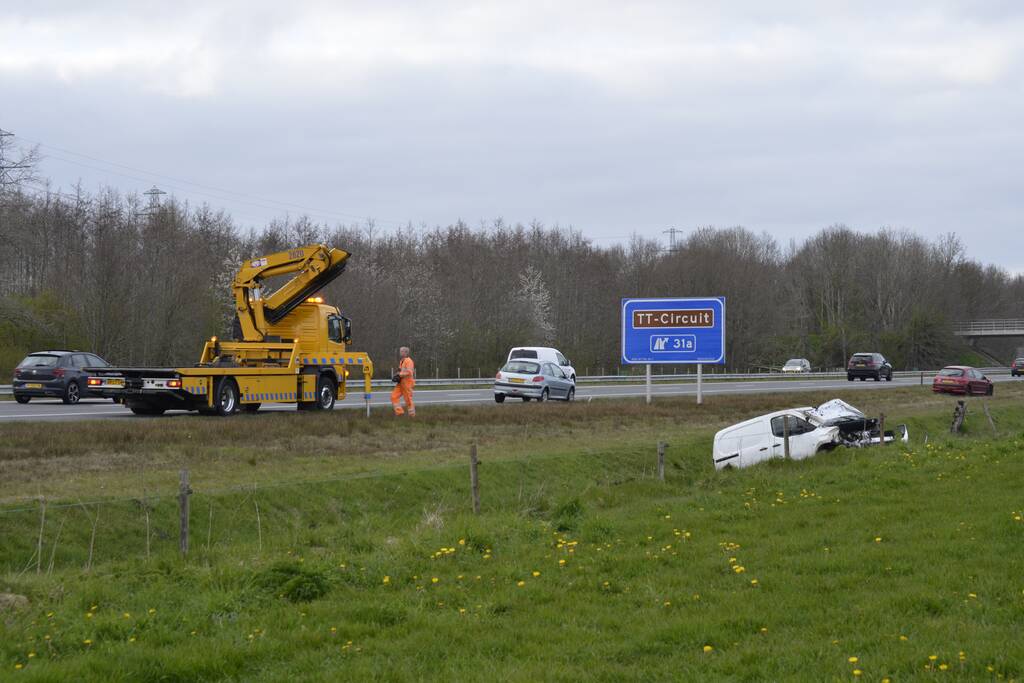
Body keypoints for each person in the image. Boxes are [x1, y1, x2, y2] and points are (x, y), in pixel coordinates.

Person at [391, 346, 416, 416]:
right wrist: (396, 375)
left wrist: (400, 375)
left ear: (406, 353)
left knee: (408, 400)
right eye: (400, 351)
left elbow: (409, 372)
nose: (400, 353)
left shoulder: (409, 361)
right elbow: (400, 370)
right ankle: (399, 413)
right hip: (401, 383)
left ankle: (412, 415)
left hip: (407, 383)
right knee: (394, 396)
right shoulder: (402, 361)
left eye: (401, 351)